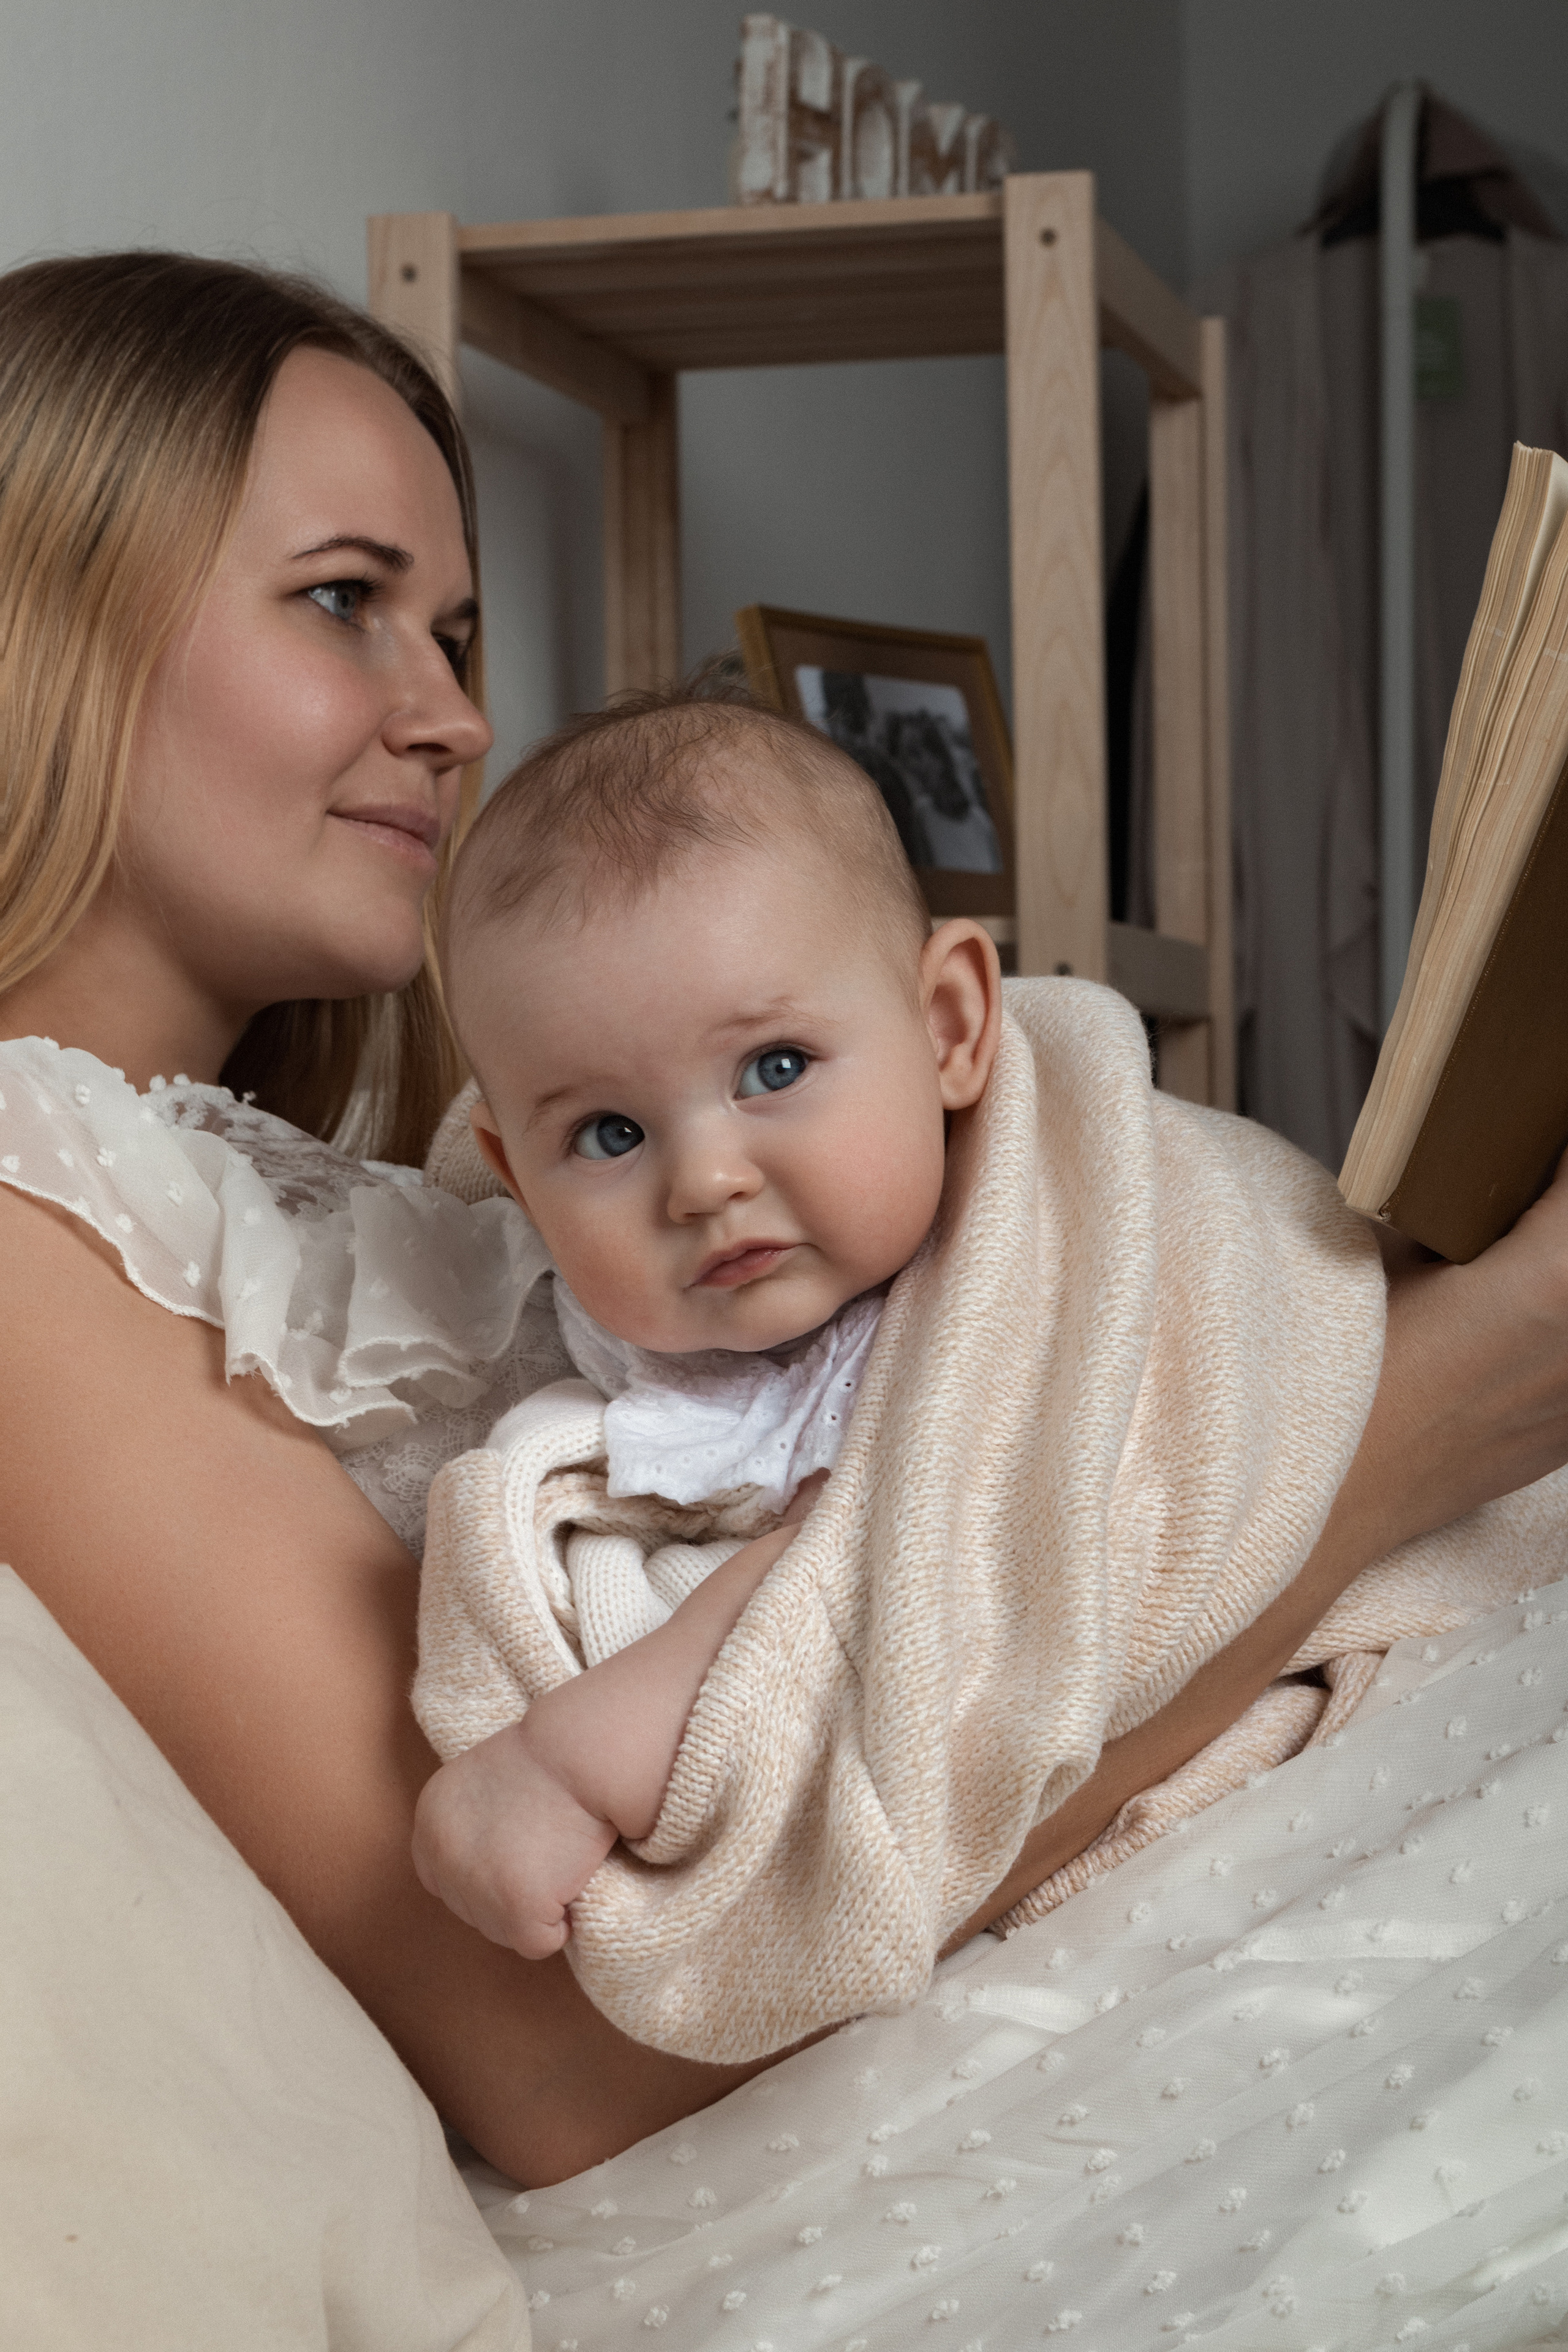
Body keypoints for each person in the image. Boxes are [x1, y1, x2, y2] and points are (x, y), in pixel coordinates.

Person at [3, 247, 1568, 2206]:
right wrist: (1417, 1423)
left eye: (461, 636)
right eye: (348, 606)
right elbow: (561, 2061)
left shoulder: (406, 1197)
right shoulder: (26, 1234)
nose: (457, 722)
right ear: (41, 617)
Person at [408, 693, 1564, 2057]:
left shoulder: (1055, 1253)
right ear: (514, 1181)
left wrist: (570, 1754)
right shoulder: (581, 1408)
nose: (705, 1178)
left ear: (951, 1024)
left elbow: (909, 1536)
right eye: (605, 1134)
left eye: (773, 1067)